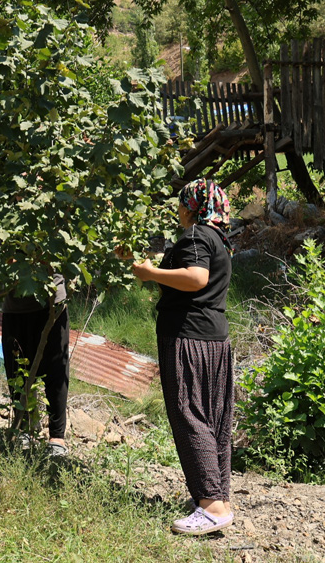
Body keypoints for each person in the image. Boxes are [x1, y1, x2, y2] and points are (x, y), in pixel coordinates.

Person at [131, 178, 234, 535]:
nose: (177, 210)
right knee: (212, 417)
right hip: (215, 339)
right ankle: (217, 497)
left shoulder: (194, 237)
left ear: (192, 206)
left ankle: (211, 506)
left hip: (187, 337)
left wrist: (150, 274)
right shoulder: (219, 240)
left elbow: (195, 278)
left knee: (189, 412)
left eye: (180, 204)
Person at [2, 273, 71, 456]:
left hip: (52, 303)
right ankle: (25, 428)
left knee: (56, 371)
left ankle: (57, 437)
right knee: (17, 371)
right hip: (15, 306)